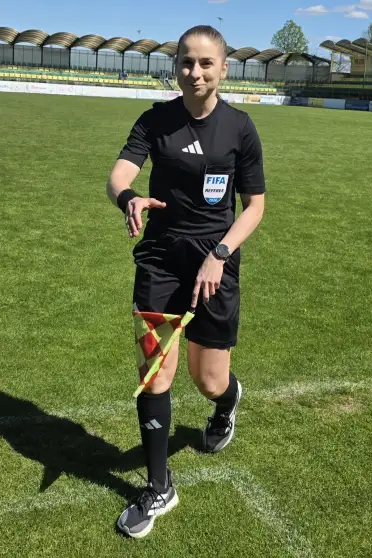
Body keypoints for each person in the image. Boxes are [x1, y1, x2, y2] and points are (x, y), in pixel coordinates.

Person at [107, 25, 266, 539]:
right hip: (160, 259)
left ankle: (228, 401)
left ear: (223, 69)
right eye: (185, 62)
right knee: (155, 373)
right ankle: (160, 487)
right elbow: (119, 175)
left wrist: (221, 253)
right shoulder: (155, 120)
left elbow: (254, 206)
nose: (194, 72)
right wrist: (128, 197)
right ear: (175, 66)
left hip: (214, 263)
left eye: (205, 63)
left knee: (208, 381)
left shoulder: (240, 127)